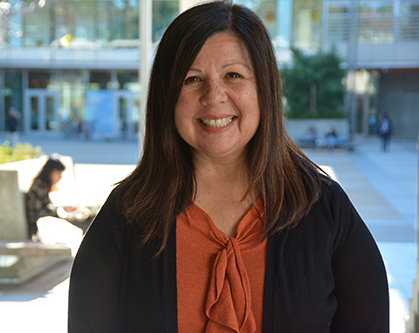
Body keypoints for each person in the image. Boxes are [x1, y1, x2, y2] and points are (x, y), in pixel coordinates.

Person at [68, 2, 389, 332]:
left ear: (264, 88)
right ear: (167, 95)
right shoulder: (127, 215)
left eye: (233, 75)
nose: (214, 96)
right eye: (192, 79)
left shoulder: (324, 210)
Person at [25, 155, 89, 242]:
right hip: (39, 229)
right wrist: (59, 210)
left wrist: (62, 208)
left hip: (45, 224)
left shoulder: (43, 185)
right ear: (51, 172)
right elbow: (38, 214)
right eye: (59, 173)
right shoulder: (39, 186)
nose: (60, 177)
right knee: (84, 223)